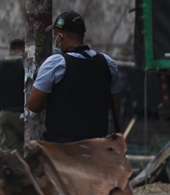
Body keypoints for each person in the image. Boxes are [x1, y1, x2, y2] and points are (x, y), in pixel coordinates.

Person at [26, 11, 121, 143]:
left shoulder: (55, 64)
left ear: (59, 37)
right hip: (97, 147)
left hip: (62, 149)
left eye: (55, 36)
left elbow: (33, 105)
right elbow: (114, 104)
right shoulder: (107, 63)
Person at [0, 38, 26, 155]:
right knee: (31, 150)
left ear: (10, 49)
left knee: (12, 154)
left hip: (6, 114)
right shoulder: (27, 63)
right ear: (24, 49)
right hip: (25, 115)